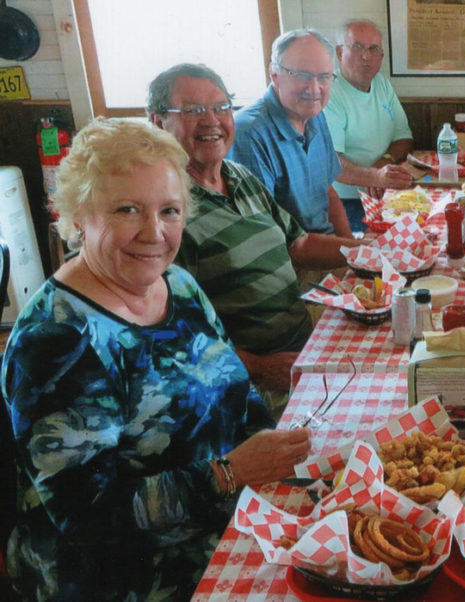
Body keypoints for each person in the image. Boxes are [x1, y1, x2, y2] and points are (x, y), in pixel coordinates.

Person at [0, 118, 312, 601]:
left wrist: (271, 456)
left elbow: (238, 393)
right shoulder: (59, 339)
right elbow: (88, 517)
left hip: (227, 519)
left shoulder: (179, 286)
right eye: (127, 209)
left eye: (170, 210)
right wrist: (229, 474)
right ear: (79, 215)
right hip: (126, 574)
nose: (154, 232)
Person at [147, 63, 361, 400]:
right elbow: (172, 335)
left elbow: (300, 243)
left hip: (305, 340)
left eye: (220, 108)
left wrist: (369, 253)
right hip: (253, 378)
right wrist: (259, 368)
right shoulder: (164, 211)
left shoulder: (239, 176)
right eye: (192, 110)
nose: (211, 121)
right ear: (158, 122)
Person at [229, 29, 353, 237]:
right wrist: (355, 251)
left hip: (325, 248)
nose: (314, 89)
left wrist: (354, 253)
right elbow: (267, 237)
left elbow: (328, 191)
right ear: (275, 75)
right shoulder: (248, 133)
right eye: (302, 76)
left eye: (324, 77)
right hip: (287, 262)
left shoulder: (315, 113)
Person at [324, 18, 415, 231]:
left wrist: (383, 162)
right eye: (357, 47)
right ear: (339, 52)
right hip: (347, 204)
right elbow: (331, 163)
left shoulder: (381, 83)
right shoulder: (329, 95)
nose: (366, 56)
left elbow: (405, 138)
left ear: (381, 56)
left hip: (386, 194)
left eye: (374, 49)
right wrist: (374, 176)